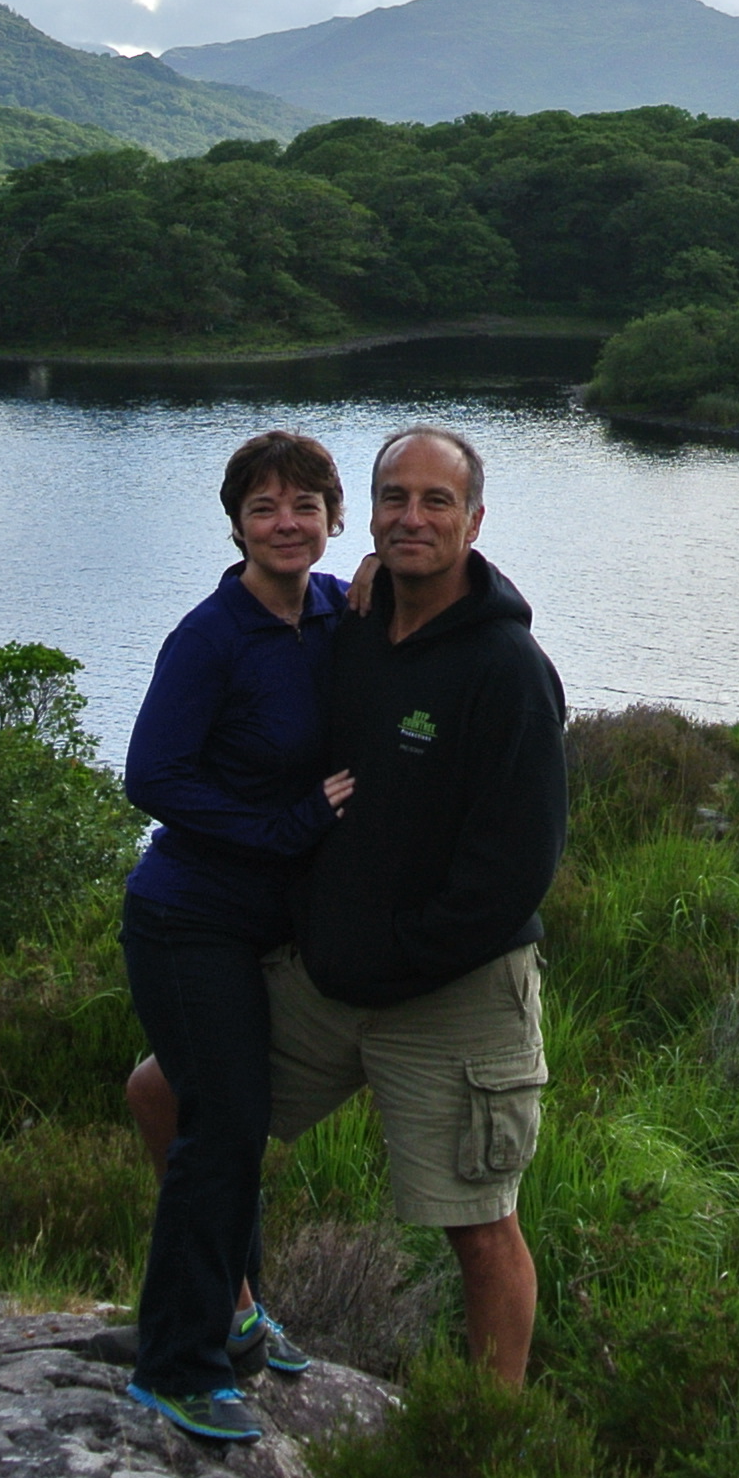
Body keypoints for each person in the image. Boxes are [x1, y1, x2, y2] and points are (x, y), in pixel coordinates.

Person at [266, 422, 568, 1387]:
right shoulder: (350, 623)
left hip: (455, 992)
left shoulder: (509, 671)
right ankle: (223, 1318)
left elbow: (514, 870)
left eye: (438, 501)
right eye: (394, 498)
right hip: (330, 976)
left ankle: (488, 1438)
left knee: (481, 1230)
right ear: (367, 515)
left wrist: (403, 952)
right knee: (170, 1095)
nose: (413, 517)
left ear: (474, 522)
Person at [113, 429, 359, 1448]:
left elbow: (445, 597)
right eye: (264, 508)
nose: (285, 523)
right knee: (223, 1124)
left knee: (230, 1114)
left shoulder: (338, 610)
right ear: (236, 526)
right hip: (190, 917)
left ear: (333, 518)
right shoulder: (210, 637)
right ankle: (176, 1365)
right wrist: (283, 827)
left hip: (272, 922)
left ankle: (239, 1311)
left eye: (304, 505)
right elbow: (151, 777)